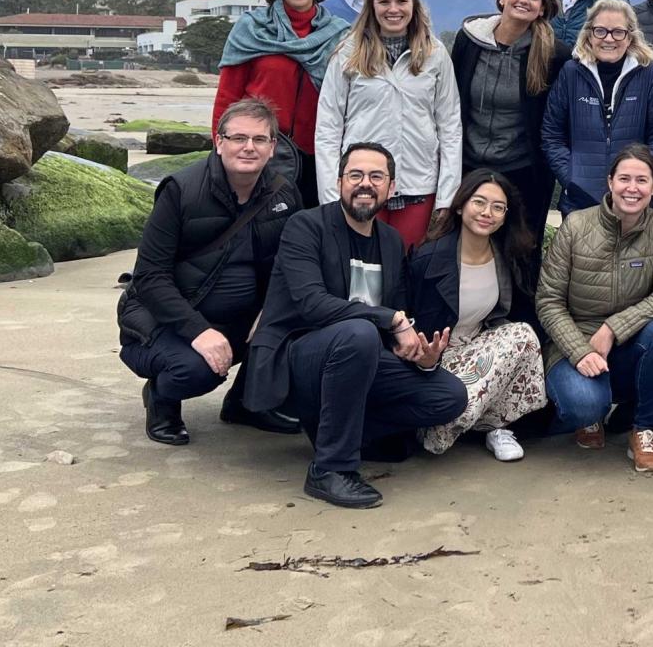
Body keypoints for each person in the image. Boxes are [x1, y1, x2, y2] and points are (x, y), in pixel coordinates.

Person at [243, 142, 470, 509]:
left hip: (358, 356)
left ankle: (339, 432)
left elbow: (396, 315)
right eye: (356, 175)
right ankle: (329, 469)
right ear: (338, 182)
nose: (365, 184)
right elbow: (312, 305)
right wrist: (392, 320)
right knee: (359, 333)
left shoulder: (392, 242)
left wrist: (419, 356)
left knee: (448, 396)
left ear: (391, 188)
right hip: (298, 357)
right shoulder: (306, 225)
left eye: (376, 176)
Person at [118, 98, 302, 446]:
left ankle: (248, 403)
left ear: (272, 147)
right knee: (196, 371)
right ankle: (161, 398)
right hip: (165, 322)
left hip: (242, 319)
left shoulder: (284, 193)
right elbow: (150, 277)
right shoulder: (181, 191)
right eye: (238, 138)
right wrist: (199, 331)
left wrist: (272, 311)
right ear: (218, 142)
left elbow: (290, 265)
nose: (249, 147)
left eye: (259, 139)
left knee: (306, 324)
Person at [537, 145, 653, 474]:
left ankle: (643, 429)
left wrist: (613, 328)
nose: (632, 188)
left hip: (630, 341)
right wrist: (578, 350)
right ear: (610, 182)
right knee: (584, 406)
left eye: (642, 180)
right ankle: (591, 416)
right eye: (624, 179)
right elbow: (548, 300)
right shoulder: (576, 226)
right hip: (575, 341)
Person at [406, 169, 548, 461]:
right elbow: (411, 322)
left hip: (482, 351)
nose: (488, 213)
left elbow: (510, 317)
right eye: (479, 202)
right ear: (461, 205)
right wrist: (426, 362)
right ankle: (447, 420)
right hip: (436, 358)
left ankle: (497, 426)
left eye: (498, 207)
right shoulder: (429, 257)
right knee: (441, 420)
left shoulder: (508, 255)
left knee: (522, 335)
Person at [315, 0, 462, 249]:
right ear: (371, 5)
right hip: (361, 186)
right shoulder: (348, 52)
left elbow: (450, 129)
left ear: (414, 5)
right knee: (361, 271)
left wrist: (446, 197)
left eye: (401, 2)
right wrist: (332, 196)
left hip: (418, 185)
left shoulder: (436, 54)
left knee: (408, 271)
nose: (393, 9)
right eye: (384, 2)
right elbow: (328, 128)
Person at [452, 0, 563, 311]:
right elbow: (452, 98)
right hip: (471, 165)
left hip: (523, 170)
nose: (524, 0)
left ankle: (522, 330)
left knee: (521, 255)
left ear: (542, 8)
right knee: (466, 246)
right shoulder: (469, 41)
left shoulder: (553, 54)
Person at [214, 0, 351, 207]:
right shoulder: (251, 29)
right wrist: (220, 151)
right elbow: (227, 96)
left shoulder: (340, 35)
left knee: (311, 235)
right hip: (259, 154)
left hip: (320, 158)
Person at [542, 0, 653, 215]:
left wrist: (640, 181)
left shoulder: (649, 74)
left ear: (630, 36)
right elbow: (552, 134)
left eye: (618, 32)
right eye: (600, 31)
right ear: (589, 34)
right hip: (579, 201)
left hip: (635, 200)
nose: (609, 39)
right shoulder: (571, 73)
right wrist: (572, 178)